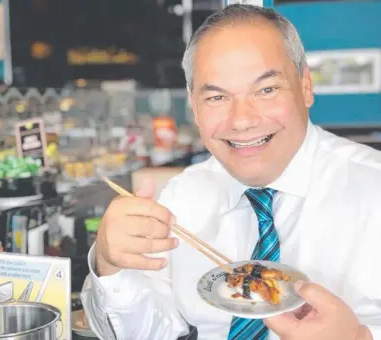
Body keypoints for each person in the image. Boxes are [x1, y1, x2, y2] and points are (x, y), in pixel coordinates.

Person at [81, 4, 381, 340]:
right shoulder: (182, 199)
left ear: (306, 87)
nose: (241, 120)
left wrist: (359, 338)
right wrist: (111, 266)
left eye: (266, 90)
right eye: (217, 97)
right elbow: (146, 332)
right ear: (194, 109)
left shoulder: (374, 189)